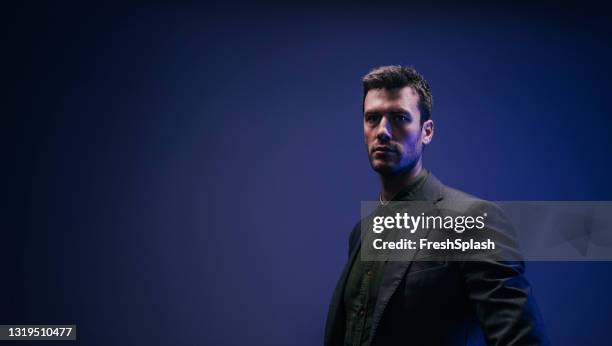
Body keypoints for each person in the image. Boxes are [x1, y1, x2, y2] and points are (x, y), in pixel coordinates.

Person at [324, 66, 549, 346]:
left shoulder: (472, 219)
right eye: (372, 118)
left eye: (399, 118)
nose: (382, 131)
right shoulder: (362, 232)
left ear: (426, 131)